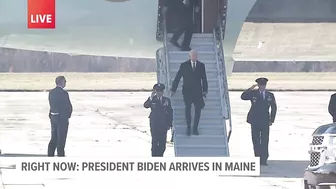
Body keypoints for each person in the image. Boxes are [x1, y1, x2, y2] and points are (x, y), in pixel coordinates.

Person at [241, 77, 277, 165]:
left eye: (263, 85)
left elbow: (274, 108)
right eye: (260, 85)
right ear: (258, 85)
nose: (262, 87)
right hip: (255, 120)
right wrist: (251, 88)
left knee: (265, 140)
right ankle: (257, 158)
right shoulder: (253, 94)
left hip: (265, 120)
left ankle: (264, 159)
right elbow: (243, 96)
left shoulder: (270, 95)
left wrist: (272, 119)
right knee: (256, 140)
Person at [171, 49, 208, 136]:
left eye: (196, 55)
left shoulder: (201, 65)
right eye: (193, 56)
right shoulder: (184, 65)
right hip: (187, 92)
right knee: (188, 109)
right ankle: (188, 127)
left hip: (198, 92)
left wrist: (205, 90)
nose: (195, 57)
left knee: (198, 110)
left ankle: (195, 128)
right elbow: (178, 77)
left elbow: (204, 79)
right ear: (189, 56)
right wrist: (173, 89)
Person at [144, 83, 173, 157]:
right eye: (157, 91)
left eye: (160, 91)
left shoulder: (166, 100)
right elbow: (146, 105)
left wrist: (169, 124)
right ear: (155, 92)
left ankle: (160, 156)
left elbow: (170, 112)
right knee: (154, 142)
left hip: (163, 124)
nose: (159, 93)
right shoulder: (152, 99)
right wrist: (150, 98)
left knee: (162, 144)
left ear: (163, 92)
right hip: (154, 124)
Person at [47, 76, 73, 157]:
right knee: (61, 141)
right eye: (65, 81)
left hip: (53, 117)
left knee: (53, 138)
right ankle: (60, 157)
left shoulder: (51, 92)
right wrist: (68, 115)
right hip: (62, 119)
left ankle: (50, 155)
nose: (65, 83)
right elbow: (68, 106)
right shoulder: (64, 93)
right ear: (61, 82)